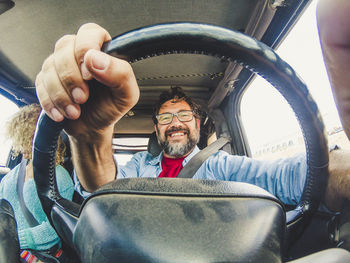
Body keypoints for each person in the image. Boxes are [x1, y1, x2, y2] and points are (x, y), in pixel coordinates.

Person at [35, 23, 348, 212]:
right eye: (166, 117)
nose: (175, 122)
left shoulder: (224, 166)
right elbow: (104, 193)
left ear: (198, 124)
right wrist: (92, 139)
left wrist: (337, 166)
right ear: (156, 128)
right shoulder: (140, 167)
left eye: (184, 114)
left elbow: (292, 176)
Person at [0, 104, 74, 262]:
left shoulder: (60, 177)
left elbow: (56, 230)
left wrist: (15, 239)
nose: (21, 146)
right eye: (20, 139)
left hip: (40, 255)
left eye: (27, 139)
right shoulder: (10, 177)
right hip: (8, 251)